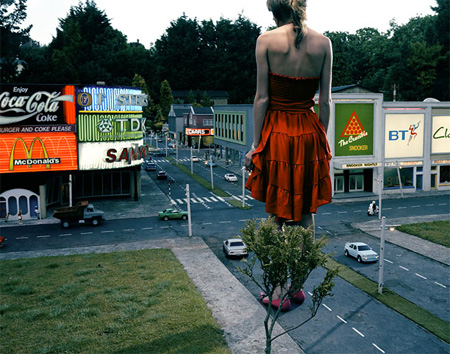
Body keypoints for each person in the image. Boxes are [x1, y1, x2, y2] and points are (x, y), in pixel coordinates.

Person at [244, 0, 333, 310]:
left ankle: (279, 290)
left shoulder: (265, 41)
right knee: (306, 214)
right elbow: (325, 102)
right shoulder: (324, 43)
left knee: (277, 216)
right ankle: (296, 286)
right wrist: (319, 140)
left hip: (278, 134)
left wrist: (256, 145)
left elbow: (261, 98)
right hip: (309, 133)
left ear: (273, 10)